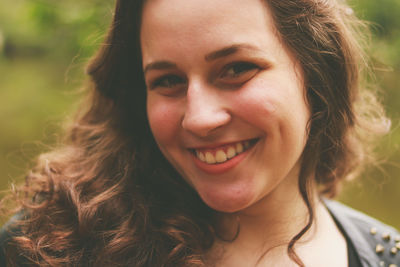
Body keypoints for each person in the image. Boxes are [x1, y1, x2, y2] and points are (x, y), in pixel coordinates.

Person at [0, 0, 397, 266]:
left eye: (236, 69)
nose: (199, 119)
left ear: (316, 74)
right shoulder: (47, 245)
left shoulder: (387, 256)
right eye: (168, 80)